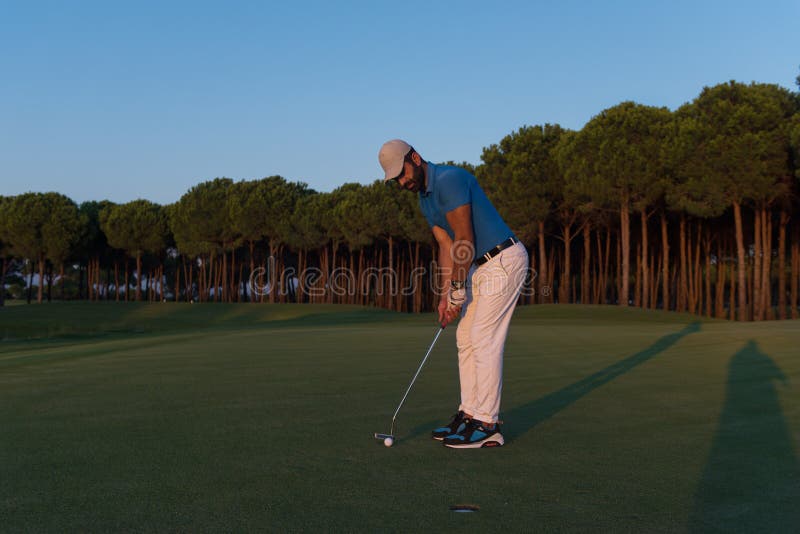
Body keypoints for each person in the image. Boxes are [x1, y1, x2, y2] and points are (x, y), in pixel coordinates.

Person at [378, 139, 528, 448]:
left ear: (415, 158)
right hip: (477, 267)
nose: (402, 182)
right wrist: (446, 294)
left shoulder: (449, 180)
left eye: (402, 174)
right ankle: (469, 414)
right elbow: (446, 248)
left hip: (502, 259)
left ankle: (488, 425)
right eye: (395, 180)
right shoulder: (424, 200)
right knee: (465, 337)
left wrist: (459, 288)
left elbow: (464, 238)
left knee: (484, 338)